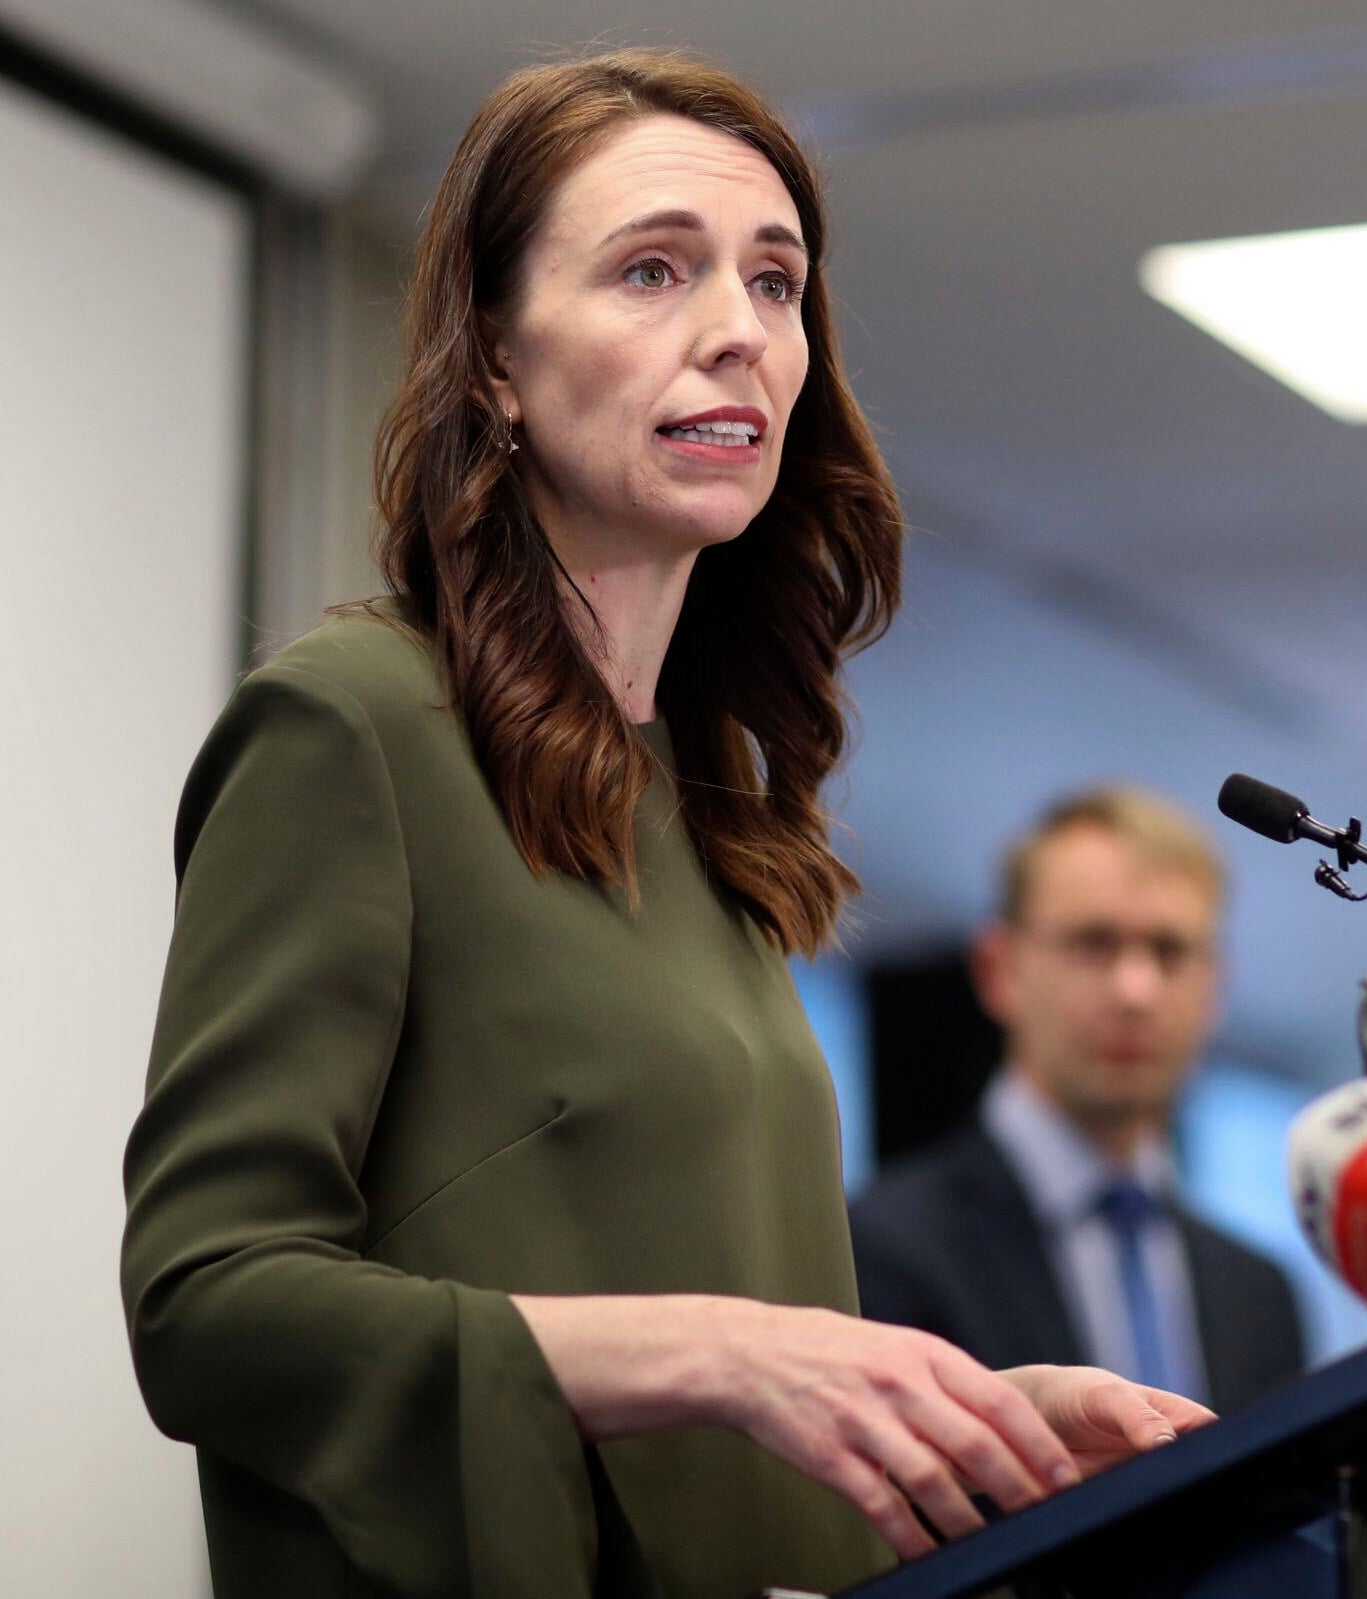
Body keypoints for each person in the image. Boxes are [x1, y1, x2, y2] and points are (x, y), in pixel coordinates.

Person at [118, 50, 1208, 1599]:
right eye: (653, 270)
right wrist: (707, 1349)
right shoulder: (356, 720)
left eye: (778, 283)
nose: (740, 334)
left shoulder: (720, 815)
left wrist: (974, 1424)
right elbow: (205, 1303)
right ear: (493, 354)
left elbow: (729, 1369)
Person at [850, 788, 1307, 1415]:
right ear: (999, 970)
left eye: (1170, 952)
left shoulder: (1257, 1291)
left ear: (1214, 989)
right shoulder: (880, 1248)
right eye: (1095, 944)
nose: (1136, 991)